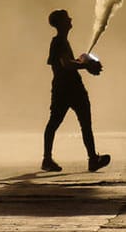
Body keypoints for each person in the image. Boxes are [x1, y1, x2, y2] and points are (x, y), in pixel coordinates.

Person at [41, 9, 109, 173]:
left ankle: (90, 158)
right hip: (67, 89)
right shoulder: (58, 42)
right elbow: (67, 64)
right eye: (67, 18)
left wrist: (83, 59)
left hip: (66, 88)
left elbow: (70, 61)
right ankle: (50, 159)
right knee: (70, 123)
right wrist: (86, 65)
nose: (71, 19)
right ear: (62, 23)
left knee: (61, 123)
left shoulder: (62, 41)